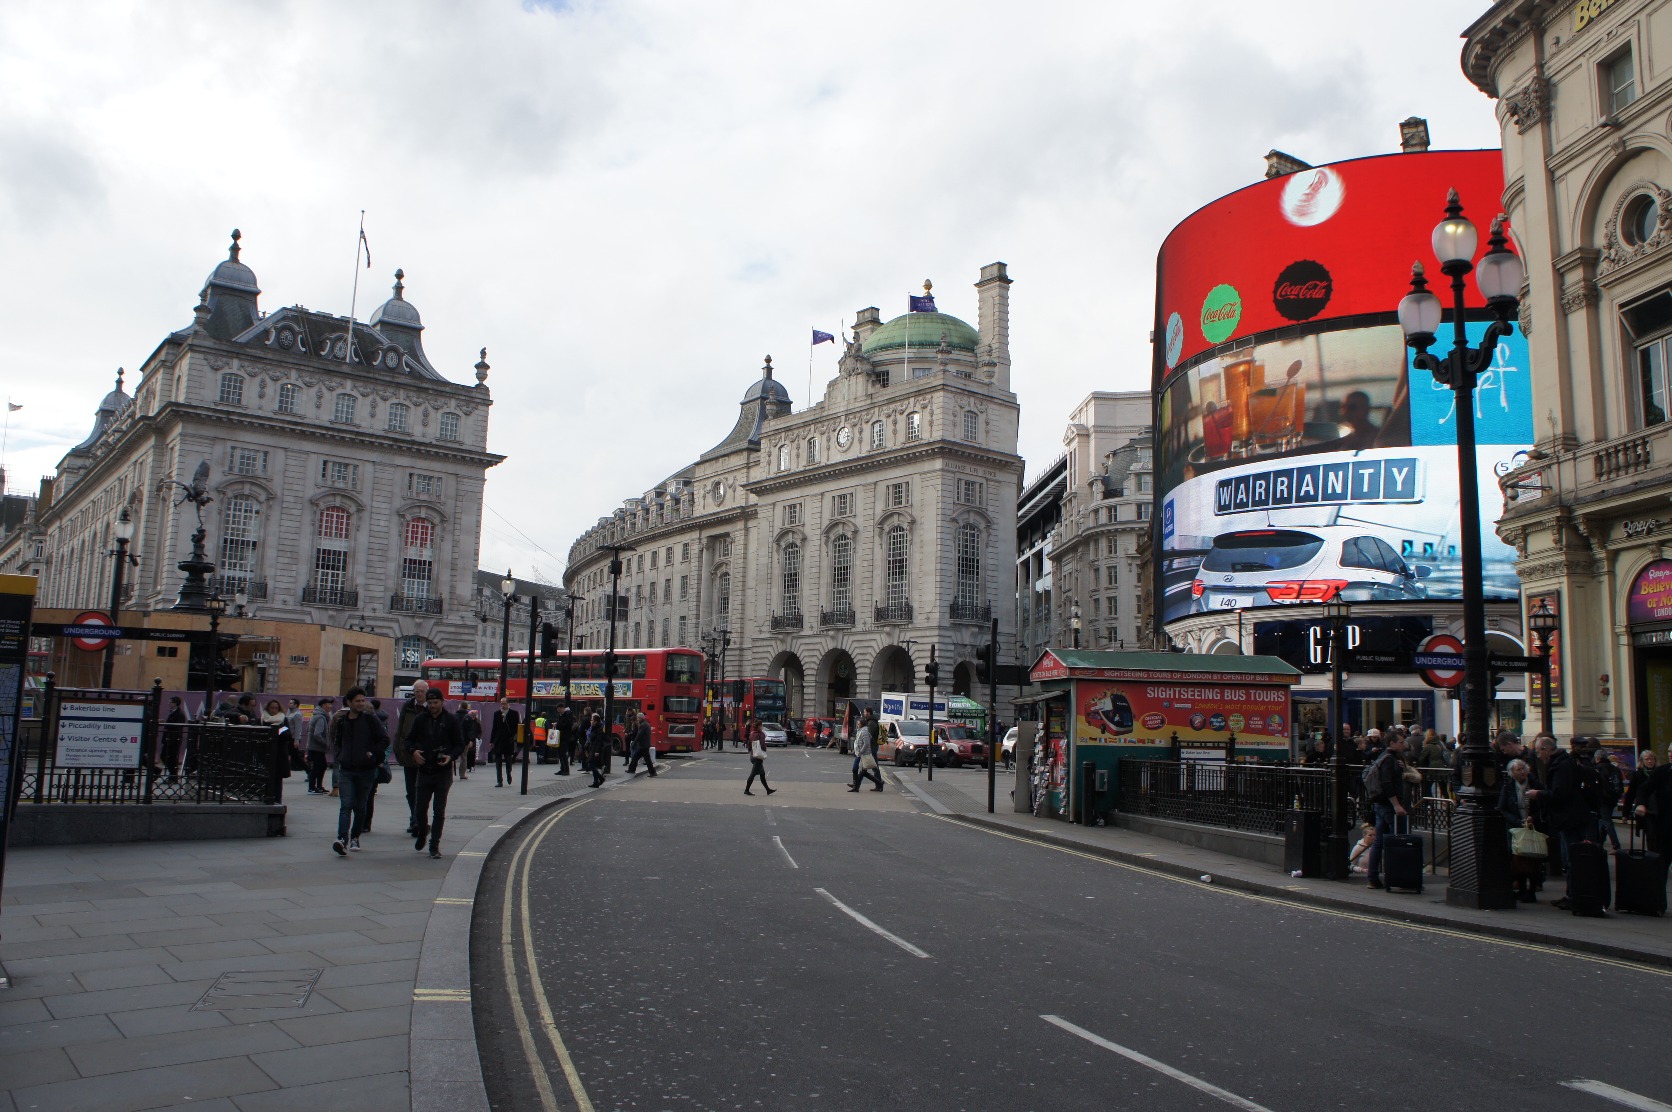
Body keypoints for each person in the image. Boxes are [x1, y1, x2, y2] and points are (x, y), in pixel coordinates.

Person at [1526, 735, 1593, 910]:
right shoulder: (1563, 763)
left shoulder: (1561, 766)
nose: (1538, 756)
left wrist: (1538, 794)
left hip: (1570, 818)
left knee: (1571, 859)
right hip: (1570, 817)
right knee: (1569, 859)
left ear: (1547, 749)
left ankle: (1575, 896)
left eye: (1539, 751)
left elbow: (1559, 794)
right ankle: (1571, 894)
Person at [328, 687, 388, 856]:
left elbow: (384, 739)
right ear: (349, 702)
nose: (361, 703)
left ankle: (355, 836)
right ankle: (341, 838)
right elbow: (337, 740)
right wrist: (340, 755)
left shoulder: (370, 720)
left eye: (363, 700)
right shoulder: (342, 721)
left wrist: (373, 753)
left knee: (360, 806)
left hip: (366, 770)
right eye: (358, 701)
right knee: (346, 805)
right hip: (346, 769)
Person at [409, 687, 466, 859]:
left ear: (442, 702)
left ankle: (434, 845)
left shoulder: (451, 720)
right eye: (430, 703)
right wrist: (414, 752)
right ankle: (422, 830)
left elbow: (459, 744)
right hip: (425, 769)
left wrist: (451, 756)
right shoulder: (420, 719)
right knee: (420, 808)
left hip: (443, 772)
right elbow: (409, 740)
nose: (432, 706)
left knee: (439, 810)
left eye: (436, 702)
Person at [1362, 732, 1409, 890]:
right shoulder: (1389, 759)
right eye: (1401, 742)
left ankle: (1373, 878)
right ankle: (1398, 877)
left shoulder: (1386, 757)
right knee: (1398, 841)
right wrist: (1396, 804)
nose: (1404, 745)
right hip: (1389, 806)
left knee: (1379, 842)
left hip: (1380, 805)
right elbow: (1387, 783)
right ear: (1392, 743)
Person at [1499, 758, 1542, 902]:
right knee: (1517, 859)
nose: (1522, 772)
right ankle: (1522, 888)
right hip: (1516, 828)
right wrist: (1517, 821)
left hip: (1532, 827)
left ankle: (1532, 890)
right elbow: (1503, 808)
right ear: (1512, 773)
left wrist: (1533, 818)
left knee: (1533, 858)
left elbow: (1544, 805)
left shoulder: (1535, 784)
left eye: (1524, 768)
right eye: (1518, 769)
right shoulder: (1508, 786)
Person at [393, 680, 430, 833]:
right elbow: (400, 730)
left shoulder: (431, 708)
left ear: (426, 692)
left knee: (423, 791)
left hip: (426, 758)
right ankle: (414, 818)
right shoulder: (407, 707)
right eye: (416, 691)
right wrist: (399, 750)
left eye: (421, 691)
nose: (419, 694)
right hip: (409, 755)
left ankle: (418, 819)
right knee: (411, 791)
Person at [1630, 750, 1672, 859]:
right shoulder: (1662, 771)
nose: (1670, 754)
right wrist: (1640, 804)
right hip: (1665, 822)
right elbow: (1643, 789)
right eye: (1669, 751)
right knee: (1663, 857)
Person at [1593, 747, 1624, 853]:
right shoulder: (1614, 769)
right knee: (1605, 820)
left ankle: (1616, 845)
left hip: (1603, 798)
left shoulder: (1598, 768)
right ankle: (1599, 843)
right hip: (1613, 798)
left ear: (1597, 758)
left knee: (1606, 821)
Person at [305, 697, 335, 793]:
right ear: (323, 705)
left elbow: (307, 729)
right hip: (317, 747)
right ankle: (312, 787)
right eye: (329, 704)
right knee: (319, 766)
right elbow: (317, 734)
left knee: (321, 766)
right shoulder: (321, 717)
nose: (331, 706)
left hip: (313, 746)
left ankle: (318, 786)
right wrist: (325, 743)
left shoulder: (316, 715)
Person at [849, 713, 884, 792]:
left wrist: (860, 752)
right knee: (863, 772)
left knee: (856, 769)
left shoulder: (864, 731)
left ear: (862, 724)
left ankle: (856, 786)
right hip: (860, 753)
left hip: (863, 754)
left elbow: (866, 743)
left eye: (858, 724)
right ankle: (856, 787)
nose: (857, 725)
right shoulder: (860, 731)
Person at [491, 698, 520, 787]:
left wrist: (515, 736)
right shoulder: (497, 714)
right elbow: (494, 728)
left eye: (504, 703)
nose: (502, 705)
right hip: (498, 740)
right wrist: (491, 741)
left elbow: (517, 727)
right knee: (498, 762)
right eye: (501, 703)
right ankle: (499, 781)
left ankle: (509, 774)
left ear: (508, 704)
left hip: (509, 740)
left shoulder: (514, 713)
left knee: (508, 760)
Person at [161, 696, 188, 782]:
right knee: (164, 756)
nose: (169, 704)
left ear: (175, 703)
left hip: (173, 739)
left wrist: (166, 725)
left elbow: (177, 727)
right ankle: (172, 773)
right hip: (168, 738)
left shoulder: (179, 714)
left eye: (171, 702)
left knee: (171, 757)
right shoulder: (173, 713)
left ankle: (173, 775)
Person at [744, 729, 774, 796]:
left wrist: (750, 750)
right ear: (759, 726)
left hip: (753, 755)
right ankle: (746, 790)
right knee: (753, 774)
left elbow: (749, 743)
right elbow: (763, 744)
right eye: (761, 725)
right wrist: (764, 749)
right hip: (758, 757)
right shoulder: (761, 734)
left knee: (762, 773)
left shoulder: (752, 733)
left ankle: (768, 790)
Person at [459, 706, 481, 781]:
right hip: (468, 739)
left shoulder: (476, 721)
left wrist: (478, 737)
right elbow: (470, 730)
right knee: (465, 755)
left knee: (472, 753)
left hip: (471, 739)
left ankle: (471, 766)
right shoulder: (468, 719)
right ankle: (466, 770)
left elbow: (479, 730)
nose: (473, 716)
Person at [587, 713, 608, 788]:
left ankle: (600, 778)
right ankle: (596, 782)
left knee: (591, 765)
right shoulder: (594, 727)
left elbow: (599, 741)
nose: (591, 721)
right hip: (592, 747)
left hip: (595, 749)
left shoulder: (599, 729)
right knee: (593, 765)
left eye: (592, 720)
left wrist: (597, 751)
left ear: (595, 721)